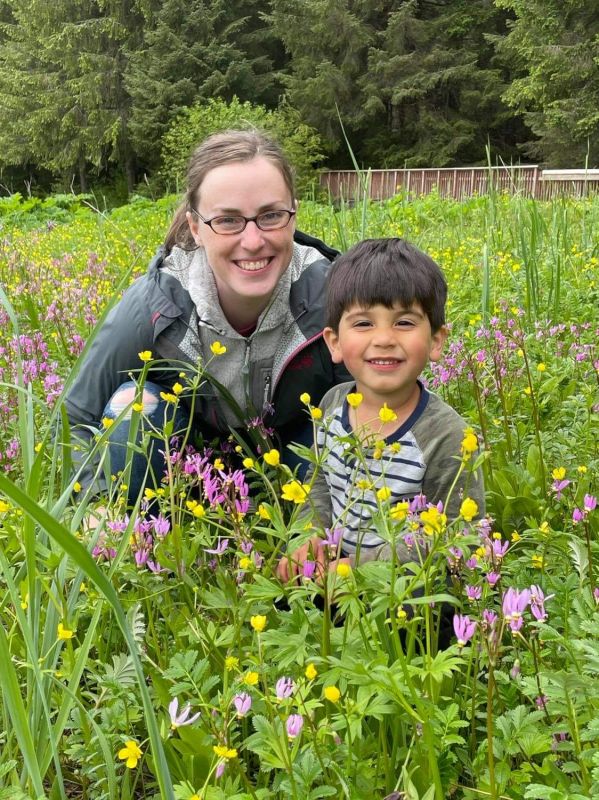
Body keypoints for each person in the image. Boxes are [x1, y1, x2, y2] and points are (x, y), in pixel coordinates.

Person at [66, 129, 350, 501]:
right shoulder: (155, 305)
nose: (252, 241)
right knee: (132, 406)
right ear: (196, 227)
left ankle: (321, 536)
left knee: (345, 418)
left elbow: (386, 403)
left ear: (293, 215)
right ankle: (141, 540)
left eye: (271, 216)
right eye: (228, 220)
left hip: (293, 467)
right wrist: (95, 500)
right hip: (191, 474)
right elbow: (76, 418)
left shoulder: (335, 295)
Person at [277, 237, 485, 580]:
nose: (384, 338)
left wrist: (362, 567)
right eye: (363, 323)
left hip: (403, 582)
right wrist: (309, 536)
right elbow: (318, 487)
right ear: (334, 342)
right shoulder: (331, 405)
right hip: (336, 568)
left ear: (435, 340)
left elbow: (463, 533)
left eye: (404, 322)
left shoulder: (447, 434)